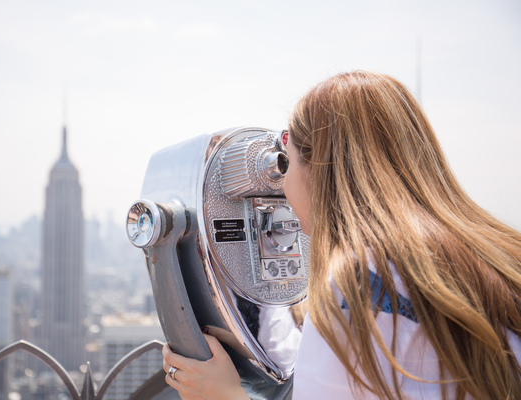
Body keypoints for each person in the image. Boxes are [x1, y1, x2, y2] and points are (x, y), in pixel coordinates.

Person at [162, 70, 521, 400]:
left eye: (287, 162)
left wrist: (223, 395)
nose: (282, 188)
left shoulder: (360, 282)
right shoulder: (496, 251)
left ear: (317, 169)